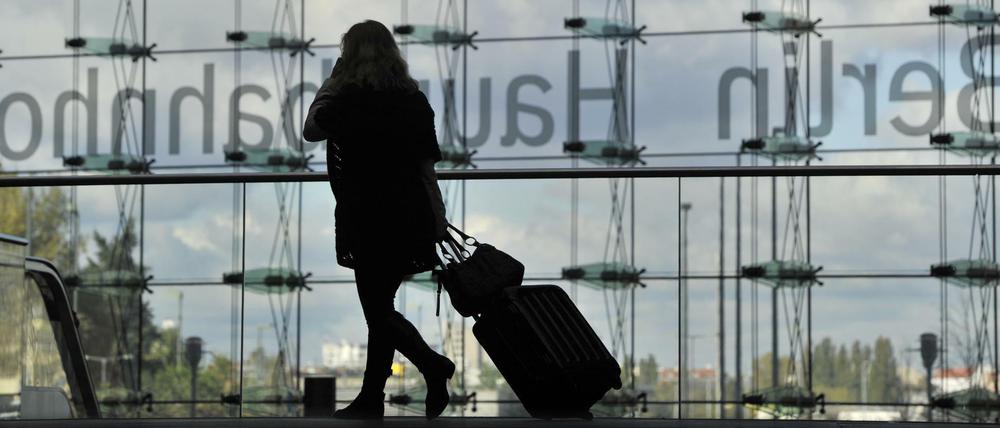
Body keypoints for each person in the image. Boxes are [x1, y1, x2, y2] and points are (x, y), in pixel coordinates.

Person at [302, 20, 454, 420]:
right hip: (408, 216)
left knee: (377, 309)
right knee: (380, 307)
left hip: (364, 215)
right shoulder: (413, 100)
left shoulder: (346, 98)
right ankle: (372, 396)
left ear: (348, 56)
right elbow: (426, 168)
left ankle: (430, 366)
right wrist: (438, 217)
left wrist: (331, 82)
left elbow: (310, 129)